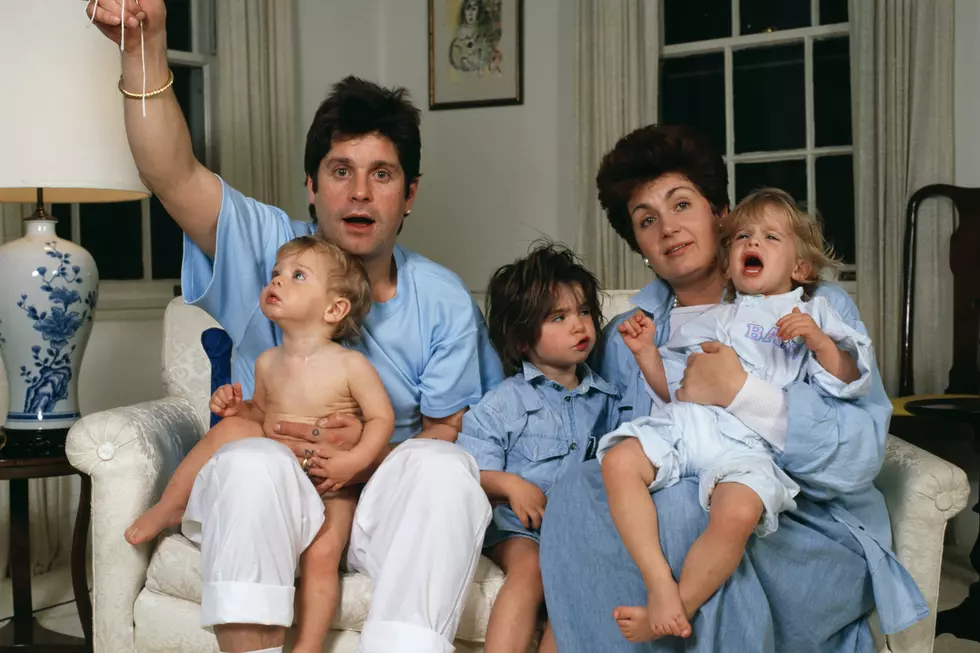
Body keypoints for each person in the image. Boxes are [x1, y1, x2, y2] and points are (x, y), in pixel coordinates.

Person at [87, 3, 504, 653]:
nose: (360, 192)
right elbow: (171, 174)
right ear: (312, 185)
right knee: (250, 460)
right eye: (341, 171)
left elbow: (448, 432)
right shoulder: (271, 250)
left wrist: (358, 457)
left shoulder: (442, 298)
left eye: (382, 174)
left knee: (445, 467)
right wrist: (146, 44)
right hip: (268, 497)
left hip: (373, 504)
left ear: (409, 194)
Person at [538, 124, 928, 653]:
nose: (668, 228)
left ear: (720, 213)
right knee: (578, 487)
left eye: (681, 204)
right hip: (679, 520)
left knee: (687, 508)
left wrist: (742, 392)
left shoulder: (813, 307)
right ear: (640, 247)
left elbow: (857, 459)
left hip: (807, 528)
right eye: (647, 220)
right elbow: (600, 451)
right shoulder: (629, 334)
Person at [597, 189, 876, 642]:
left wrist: (821, 343)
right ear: (728, 265)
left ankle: (680, 605)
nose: (753, 243)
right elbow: (678, 389)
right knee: (618, 461)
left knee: (739, 512)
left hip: (752, 446)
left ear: (800, 268)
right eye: (743, 237)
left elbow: (851, 379)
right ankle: (658, 583)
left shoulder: (817, 311)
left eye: (770, 237)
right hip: (698, 425)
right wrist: (647, 354)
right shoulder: (717, 318)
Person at [124, 235, 392, 653]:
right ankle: (172, 503)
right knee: (232, 429)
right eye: (276, 273)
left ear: (334, 309)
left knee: (322, 556)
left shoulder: (350, 365)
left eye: (298, 276)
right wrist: (236, 408)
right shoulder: (268, 362)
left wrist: (352, 462)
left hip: (332, 484)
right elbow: (261, 415)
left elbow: (381, 419)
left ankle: (307, 647)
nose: (278, 280)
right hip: (277, 483)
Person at [456, 243, 620, 653]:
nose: (579, 326)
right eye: (558, 317)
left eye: (584, 312)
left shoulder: (609, 401)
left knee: (581, 583)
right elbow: (468, 473)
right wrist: (512, 485)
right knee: (532, 570)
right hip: (517, 526)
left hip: (578, 530)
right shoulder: (503, 403)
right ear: (521, 340)